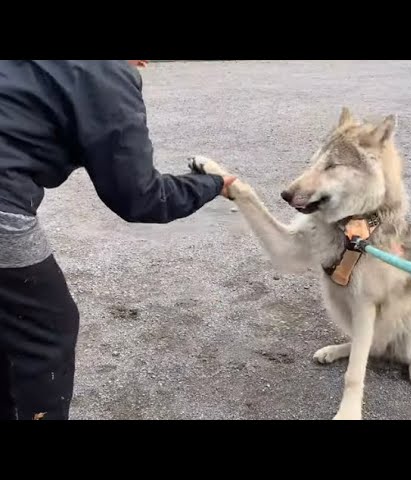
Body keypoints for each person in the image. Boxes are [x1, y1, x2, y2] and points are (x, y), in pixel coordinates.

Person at [0, 60, 235, 420]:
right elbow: (140, 197)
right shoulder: (104, 75)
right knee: (46, 332)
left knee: (13, 320)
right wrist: (213, 183)